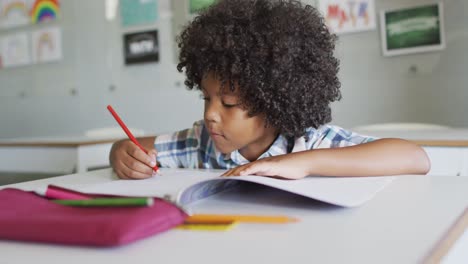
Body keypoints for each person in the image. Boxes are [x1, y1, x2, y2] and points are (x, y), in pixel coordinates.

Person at [109, 0, 430, 180]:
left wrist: (301, 163)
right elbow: (132, 146)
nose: (210, 115)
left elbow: (415, 158)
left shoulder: (309, 142)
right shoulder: (200, 143)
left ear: (275, 100)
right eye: (206, 99)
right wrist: (121, 153)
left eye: (229, 103)